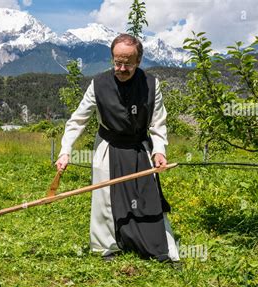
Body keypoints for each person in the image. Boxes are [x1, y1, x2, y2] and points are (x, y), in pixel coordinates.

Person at [55, 33, 180, 263]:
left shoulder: (151, 84)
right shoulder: (99, 84)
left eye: (128, 64)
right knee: (105, 198)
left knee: (148, 196)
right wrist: (65, 150)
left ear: (139, 61)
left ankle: (161, 249)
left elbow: (158, 122)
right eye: (117, 62)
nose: (121, 68)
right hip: (108, 146)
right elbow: (77, 120)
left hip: (139, 147)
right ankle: (107, 247)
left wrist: (159, 150)